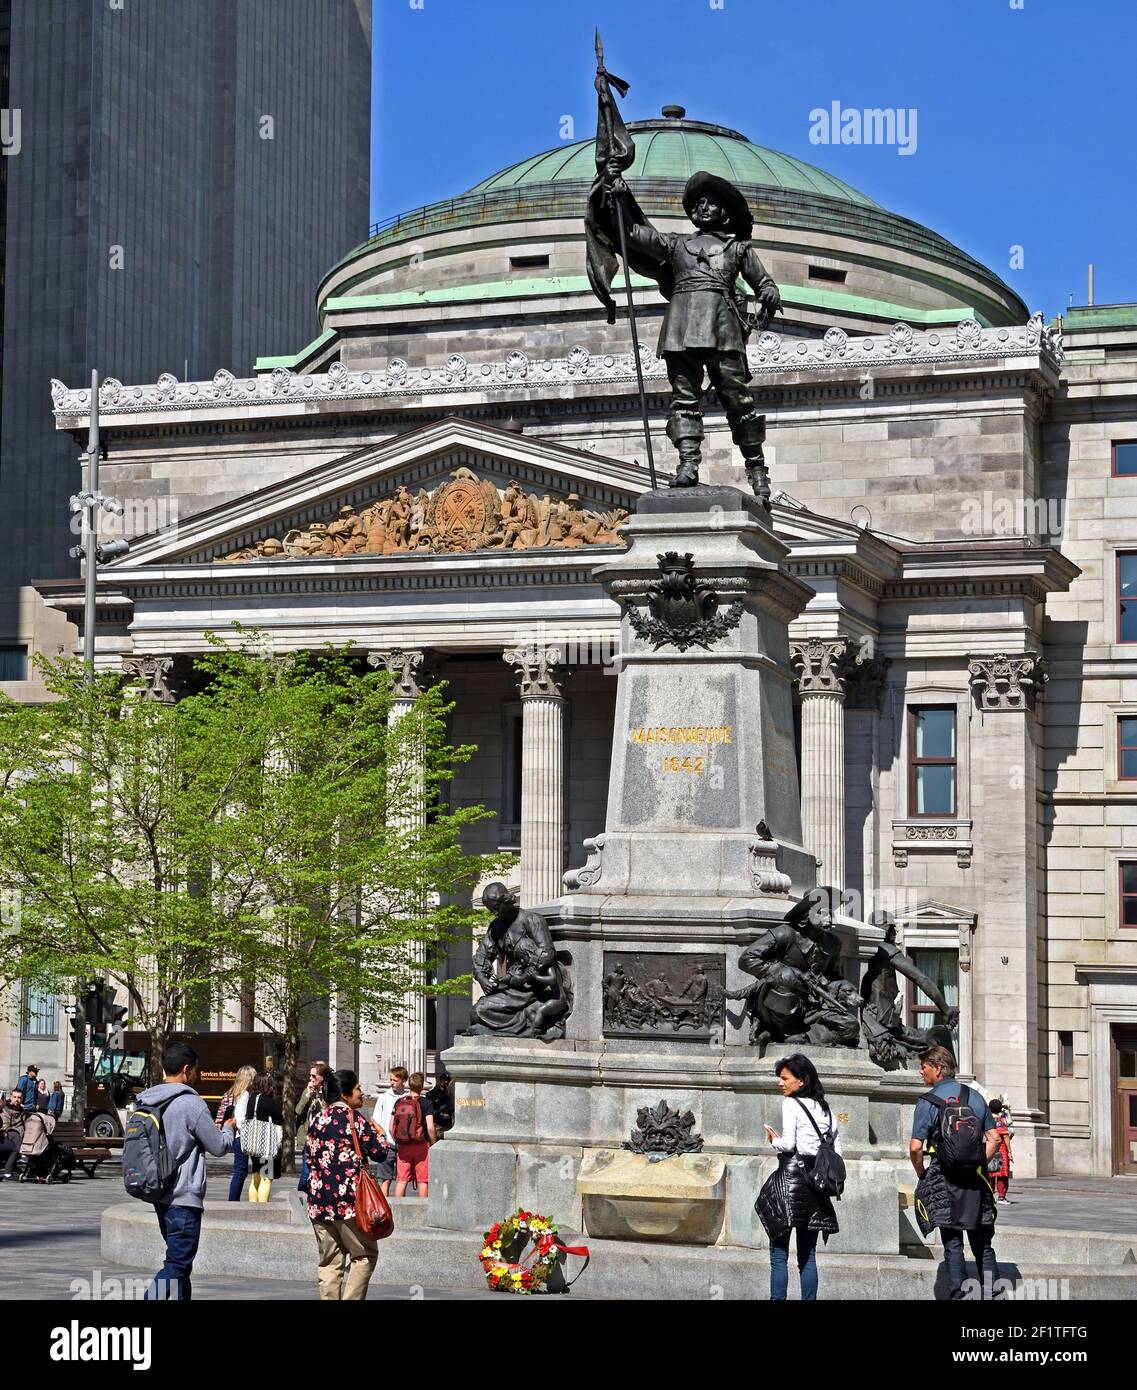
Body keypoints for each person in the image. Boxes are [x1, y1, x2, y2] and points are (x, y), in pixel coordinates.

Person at [136, 1041, 236, 1301]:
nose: (197, 1076)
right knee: (178, 1264)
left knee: (181, 1264)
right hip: (183, 1196)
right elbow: (218, 1146)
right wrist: (229, 1127)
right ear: (186, 1069)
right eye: (196, 1071)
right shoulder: (191, 1104)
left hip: (160, 1193)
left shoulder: (149, 1099)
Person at [909, 1045, 1001, 1300]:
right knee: (983, 1242)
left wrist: (923, 1174)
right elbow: (994, 1138)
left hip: (944, 1177)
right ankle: (993, 1292)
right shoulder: (976, 1097)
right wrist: (978, 1161)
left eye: (924, 1066)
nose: (921, 1072)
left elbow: (916, 1147)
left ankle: (959, 1294)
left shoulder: (928, 1101)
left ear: (937, 1069)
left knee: (952, 1243)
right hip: (975, 1179)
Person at [755, 1054, 842, 1301]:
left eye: (785, 1079)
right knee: (808, 1255)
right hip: (815, 1186)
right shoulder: (826, 1109)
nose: (780, 1083)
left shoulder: (791, 1104)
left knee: (779, 1254)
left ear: (801, 1081)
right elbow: (837, 1150)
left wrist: (774, 1140)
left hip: (790, 1182)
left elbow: (790, 1144)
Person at [303, 1068, 390, 1300]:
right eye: (358, 1088)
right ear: (345, 1094)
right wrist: (381, 1135)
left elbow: (308, 1158)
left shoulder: (318, 1118)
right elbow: (379, 1153)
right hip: (349, 1203)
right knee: (364, 1255)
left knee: (330, 1260)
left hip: (319, 1201)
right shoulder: (353, 1119)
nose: (361, 1092)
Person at [241, 1072, 284, 1203]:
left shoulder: (251, 1098)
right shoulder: (267, 1100)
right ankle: (263, 1208)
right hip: (266, 1144)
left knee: (255, 1176)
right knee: (266, 1177)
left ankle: (253, 1205)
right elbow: (279, 1118)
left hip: (253, 1143)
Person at [392, 1072, 435, 1198]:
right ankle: (423, 1212)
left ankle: (397, 1211)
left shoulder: (399, 1102)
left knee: (401, 1180)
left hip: (403, 1145)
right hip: (421, 1145)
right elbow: (431, 1127)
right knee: (422, 1180)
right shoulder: (426, 1103)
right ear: (421, 1086)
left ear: (408, 1085)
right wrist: (433, 1143)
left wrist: (399, 1139)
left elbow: (391, 1127)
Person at [220, 1065, 257, 1202]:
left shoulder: (238, 1094)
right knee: (240, 1172)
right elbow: (241, 1120)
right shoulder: (245, 1095)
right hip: (243, 1138)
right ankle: (233, 1201)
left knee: (240, 1172)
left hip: (240, 1138)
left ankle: (233, 1200)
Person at [371, 1066, 409, 1197]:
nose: (392, 1082)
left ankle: (401, 1208)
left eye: (395, 1080)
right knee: (385, 1180)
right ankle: (385, 1207)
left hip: (404, 1144)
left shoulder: (407, 1098)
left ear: (404, 1081)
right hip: (388, 1144)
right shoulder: (384, 1097)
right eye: (391, 1080)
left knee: (402, 1180)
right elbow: (375, 1120)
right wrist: (383, 1134)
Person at [296, 1061, 331, 1195]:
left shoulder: (328, 1093)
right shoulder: (308, 1091)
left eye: (314, 1076)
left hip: (325, 1140)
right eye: (310, 1076)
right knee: (306, 1172)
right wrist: (307, 1096)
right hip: (309, 1139)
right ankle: (301, 1198)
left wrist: (321, 1096)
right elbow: (298, 1111)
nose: (311, 1079)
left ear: (322, 1077)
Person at [989, 1099, 1013, 1203]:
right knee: (1002, 1174)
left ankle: (989, 1196)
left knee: (990, 1173)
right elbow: (1006, 1136)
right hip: (1001, 1149)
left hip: (989, 1148)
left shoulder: (987, 1119)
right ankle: (1001, 1196)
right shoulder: (1001, 1120)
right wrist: (1009, 1151)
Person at [1, 1090, 26, 1180]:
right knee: (15, 1136)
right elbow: (5, 1125)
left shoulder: (23, 1110)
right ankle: (22, 1153)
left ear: (22, 1099)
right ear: (11, 1097)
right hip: (9, 1134)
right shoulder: (6, 1109)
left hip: (21, 1135)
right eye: (15, 1097)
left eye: (19, 1098)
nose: (16, 1099)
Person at [424, 1070, 455, 1137]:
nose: (446, 1082)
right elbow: (429, 1111)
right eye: (444, 1080)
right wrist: (441, 1115)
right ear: (439, 1081)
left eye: (448, 1080)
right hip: (437, 1125)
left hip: (448, 1125)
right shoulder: (431, 1094)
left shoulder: (450, 1095)